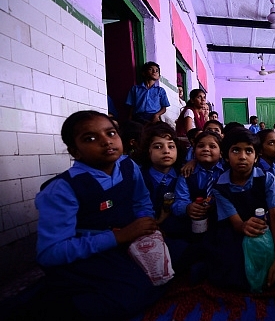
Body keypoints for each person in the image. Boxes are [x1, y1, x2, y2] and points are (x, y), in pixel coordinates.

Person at [31, 111, 171, 320]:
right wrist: (118, 237)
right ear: (75, 152)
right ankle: (52, 304)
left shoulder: (127, 165)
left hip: (124, 241)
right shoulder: (63, 189)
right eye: (91, 138)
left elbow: (140, 200)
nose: (106, 142)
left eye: (111, 133)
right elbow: (50, 253)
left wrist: (146, 225)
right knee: (134, 293)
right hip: (88, 253)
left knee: (173, 262)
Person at [209, 128, 275, 290]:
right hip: (235, 231)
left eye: (249, 151)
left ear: (256, 157)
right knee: (231, 268)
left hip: (265, 228)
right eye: (235, 150)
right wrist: (244, 226)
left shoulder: (266, 179)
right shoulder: (220, 187)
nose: (242, 157)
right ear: (226, 156)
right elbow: (236, 223)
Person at [138, 122, 187, 237]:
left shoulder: (184, 173)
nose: (166, 151)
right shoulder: (140, 177)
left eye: (171, 146)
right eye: (158, 147)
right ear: (147, 151)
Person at [172, 131, 225, 237]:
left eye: (212, 146)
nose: (206, 149)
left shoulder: (228, 170)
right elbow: (179, 200)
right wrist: (187, 208)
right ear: (194, 152)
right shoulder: (187, 173)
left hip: (223, 224)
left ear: (221, 154)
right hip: (195, 226)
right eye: (200, 146)